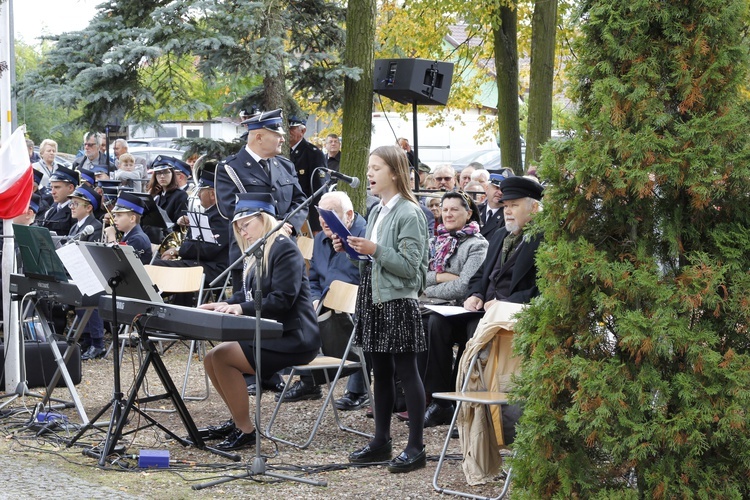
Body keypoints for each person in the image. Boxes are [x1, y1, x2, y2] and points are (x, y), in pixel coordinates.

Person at [199, 193, 320, 451]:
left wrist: (239, 308)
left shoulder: (284, 248)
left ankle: (246, 430)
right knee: (212, 358)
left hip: (294, 337)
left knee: (222, 358)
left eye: (246, 225)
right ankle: (237, 421)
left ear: (264, 219)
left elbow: (281, 300)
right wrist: (223, 304)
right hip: (272, 333)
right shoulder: (259, 251)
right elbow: (249, 293)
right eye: (239, 228)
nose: (243, 233)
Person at [421, 176, 543, 428]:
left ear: (534, 207)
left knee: (472, 331)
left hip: (510, 315)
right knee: (436, 323)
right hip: (484, 311)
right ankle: (442, 402)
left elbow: (541, 288)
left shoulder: (545, 239)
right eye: (506, 205)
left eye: (514, 205)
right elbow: (480, 276)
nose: (507, 211)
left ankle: (470, 408)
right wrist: (476, 295)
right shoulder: (499, 236)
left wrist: (503, 303)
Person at [344, 145, 429, 473]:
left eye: (376, 168)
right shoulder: (377, 211)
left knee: (406, 373)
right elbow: (372, 260)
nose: (369, 174)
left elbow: (410, 268)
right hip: (374, 297)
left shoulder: (409, 212)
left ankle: (416, 446)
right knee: (379, 372)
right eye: (369, 168)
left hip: (398, 301)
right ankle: (381, 441)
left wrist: (375, 249)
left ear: (394, 172)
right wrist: (352, 249)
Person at [276, 191, 370, 408]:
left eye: (329, 214)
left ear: (348, 215)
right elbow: (314, 278)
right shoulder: (320, 239)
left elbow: (369, 276)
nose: (322, 220)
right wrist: (316, 299)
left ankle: (358, 389)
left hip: (358, 303)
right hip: (326, 302)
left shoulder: (364, 234)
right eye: (320, 214)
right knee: (295, 312)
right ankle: (309, 381)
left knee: (350, 319)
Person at [215, 109, 308, 293]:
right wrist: (273, 225)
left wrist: (287, 224)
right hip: (249, 252)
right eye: (277, 135)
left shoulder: (284, 165)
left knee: (284, 307)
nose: (283, 139)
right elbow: (230, 208)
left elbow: (301, 201)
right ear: (259, 137)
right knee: (249, 312)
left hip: (284, 249)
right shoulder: (230, 168)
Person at [152, 161, 229, 287]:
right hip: (199, 264)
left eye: (201, 191)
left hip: (213, 269)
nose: (198, 195)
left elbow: (208, 249)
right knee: (157, 263)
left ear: (212, 194)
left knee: (155, 266)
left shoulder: (222, 216)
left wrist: (177, 251)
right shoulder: (212, 213)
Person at [67, 185, 106, 360]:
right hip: (77, 273)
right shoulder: (76, 227)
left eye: (76, 203)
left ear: (89, 208)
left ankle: (98, 343)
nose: (72, 207)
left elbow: (92, 255)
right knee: (80, 305)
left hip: (93, 276)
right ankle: (88, 339)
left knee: (91, 303)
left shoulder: (95, 227)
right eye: (71, 204)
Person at [288, 116, 327, 233]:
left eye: (292, 128)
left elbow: (319, 191)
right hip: (289, 213)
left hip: (307, 215)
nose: (288, 132)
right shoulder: (283, 152)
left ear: (303, 131)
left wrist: (316, 225)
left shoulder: (313, 154)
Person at [147, 155, 189, 242]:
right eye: (158, 173)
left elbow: (180, 225)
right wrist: (150, 197)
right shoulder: (157, 195)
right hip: (154, 238)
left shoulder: (180, 195)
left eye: (166, 172)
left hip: (169, 240)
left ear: (172, 174)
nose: (162, 176)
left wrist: (178, 222)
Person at [105, 192, 153, 264]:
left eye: (119, 215)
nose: (115, 219)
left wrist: (111, 237)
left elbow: (118, 262)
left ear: (132, 218)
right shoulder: (128, 234)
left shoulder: (138, 238)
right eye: (115, 215)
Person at [39, 166, 80, 236]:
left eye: (57, 187)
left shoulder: (76, 211)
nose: (53, 192)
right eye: (51, 187)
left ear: (70, 188)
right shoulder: (53, 207)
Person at [477, 173, 508, 240]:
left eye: (503, 189)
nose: (500, 192)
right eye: (497, 188)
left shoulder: (508, 216)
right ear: (487, 189)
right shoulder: (477, 210)